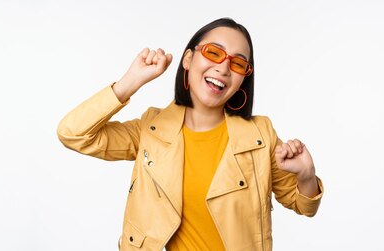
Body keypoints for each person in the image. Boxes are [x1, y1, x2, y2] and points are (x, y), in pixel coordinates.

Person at [56, 18, 323, 251]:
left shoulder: (260, 135)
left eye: (239, 63)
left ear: (244, 78)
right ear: (187, 59)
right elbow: (73, 133)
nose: (224, 68)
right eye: (214, 52)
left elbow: (303, 205)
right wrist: (130, 82)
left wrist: (306, 175)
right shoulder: (151, 130)